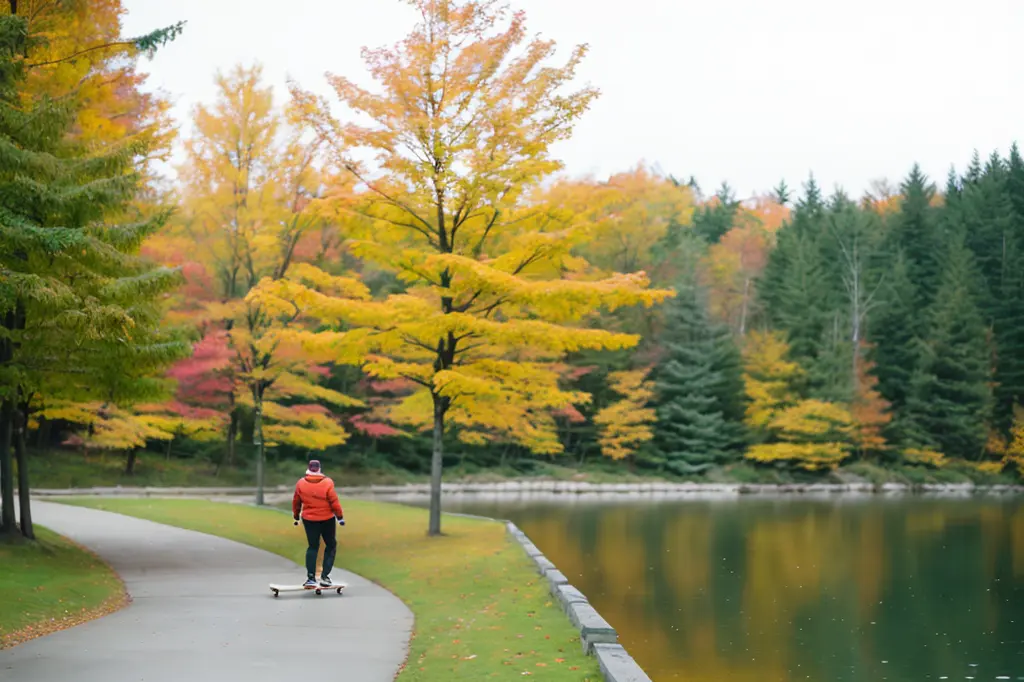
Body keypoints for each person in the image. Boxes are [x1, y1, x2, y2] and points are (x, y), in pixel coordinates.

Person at [292, 459, 344, 588]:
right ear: (319, 469)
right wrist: (340, 517)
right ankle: (325, 577)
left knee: (313, 546)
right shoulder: (327, 482)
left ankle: (311, 577)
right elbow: (334, 501)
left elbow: (296, 501)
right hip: (327, 518)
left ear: (308, 469)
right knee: (331, 544)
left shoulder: (301, 483)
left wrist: (296, 516)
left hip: (309, 519)